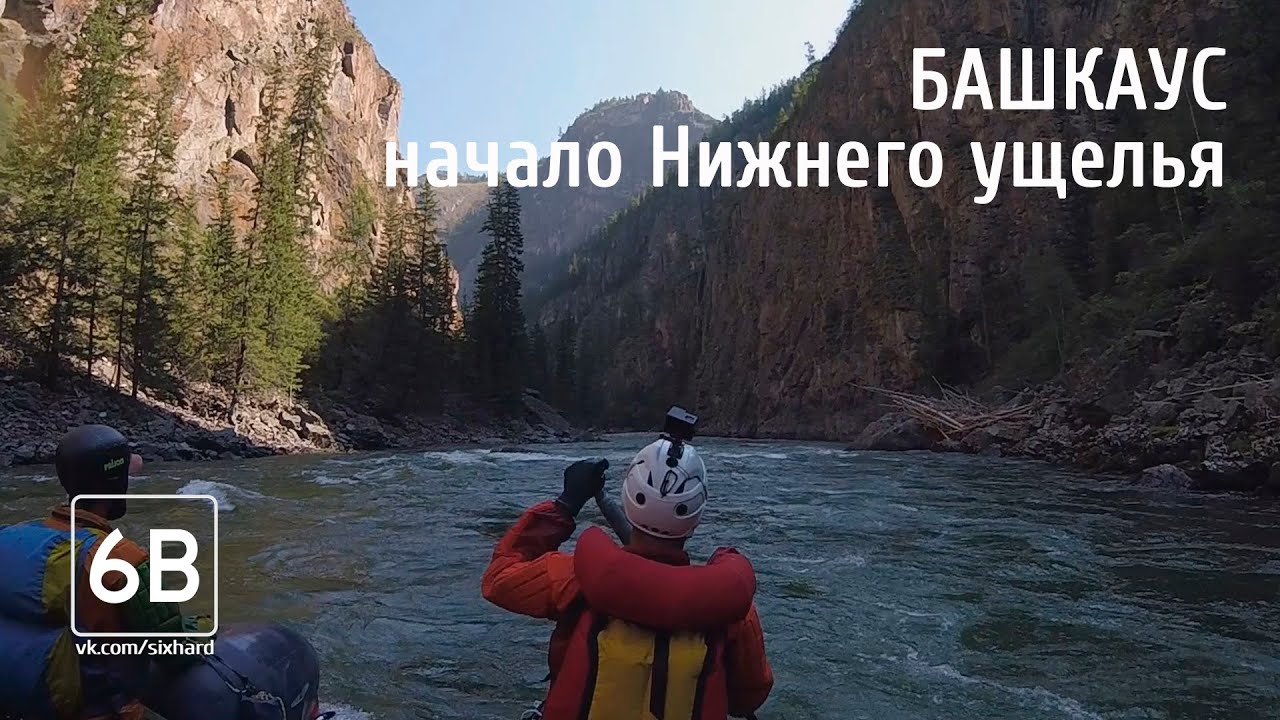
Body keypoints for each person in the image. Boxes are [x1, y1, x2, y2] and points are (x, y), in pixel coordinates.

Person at [481, 437, 773, 720]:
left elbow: (499, 578)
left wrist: (565, 505)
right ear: (696, 515)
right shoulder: (731, 611)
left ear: (628, 497)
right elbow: (746, 699)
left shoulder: (575, 578)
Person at [0, 424, 213, 720]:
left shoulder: (9, 537)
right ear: (117, 483)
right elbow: (173, 654)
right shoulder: (124, 559)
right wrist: (203, 629)